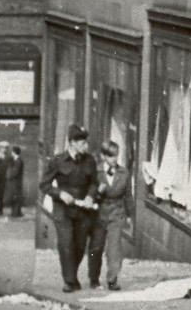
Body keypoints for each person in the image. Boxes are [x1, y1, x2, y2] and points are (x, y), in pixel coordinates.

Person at [40, 124, 100, 291]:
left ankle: (72, 274)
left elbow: (94, 183)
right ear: (72, 143)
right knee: (66, 243)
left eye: (86, 143)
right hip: (63, 209)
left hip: (83, 209)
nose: (85, 146)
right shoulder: (58, 161)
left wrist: (90, 196)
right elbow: (44, 185)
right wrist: (60, 194)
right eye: (81, 143)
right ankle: (69, 280)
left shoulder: (90, 161)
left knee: (80, 245)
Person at [87, 140, 130, 291]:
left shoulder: (124, 173)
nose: (114, 159)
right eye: (111, 156)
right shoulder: (96, 172)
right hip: (99, 212)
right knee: (96, 246)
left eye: (116, 156)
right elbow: (89, 194)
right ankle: (93, 277)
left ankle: (112, 279)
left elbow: (128, 195)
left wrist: (129, 215)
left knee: (114, 247)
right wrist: (98, 191)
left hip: (117, 212)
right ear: (103, 156)